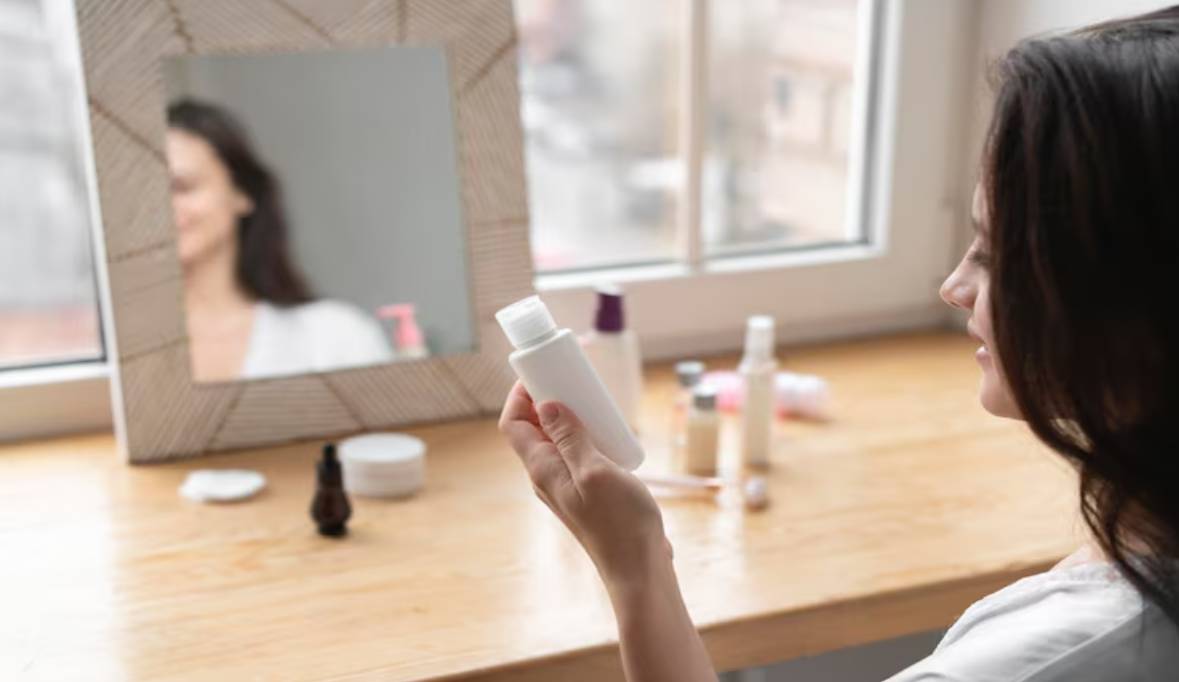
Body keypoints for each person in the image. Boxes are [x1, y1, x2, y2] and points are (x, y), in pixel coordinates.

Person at [499, 7, 1179, 681]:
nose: (952, 285)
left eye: (991, 254)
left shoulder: (1054, 659)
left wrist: (634, 563)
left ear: (1133, 305)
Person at [166, 99, 392, 382]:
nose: (161, 207)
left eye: (181, 186)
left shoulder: (336, 337)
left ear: (242, 193)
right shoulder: (115, 352)